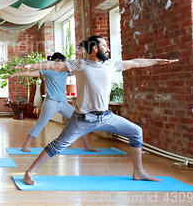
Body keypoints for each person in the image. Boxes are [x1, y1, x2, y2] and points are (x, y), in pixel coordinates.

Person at [19, 36, 178, 185]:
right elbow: (55, 65)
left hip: (106, 117)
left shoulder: (111, 65)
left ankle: (138, 171)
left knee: (136, 131)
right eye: (105, 46)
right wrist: (32, 66)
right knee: (57, 146)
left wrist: (157, 61)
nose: (108, 49)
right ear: (95, 48)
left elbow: (136, 63)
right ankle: (29, 172)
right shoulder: (80, 64)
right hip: (82, 119)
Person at [8, 52, 99, 153]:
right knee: (40, 124)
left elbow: (79, 70)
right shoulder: (47, 71)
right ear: (55, 61)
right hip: (51, 103)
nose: (62, 65)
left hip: (63, 103)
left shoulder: (66, 72)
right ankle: (25, 146)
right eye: (60, 62)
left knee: (80, 120)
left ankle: (86, 146)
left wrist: (91, 63)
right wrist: (15, 74)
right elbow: (30, 73)